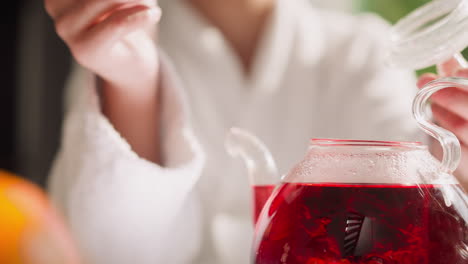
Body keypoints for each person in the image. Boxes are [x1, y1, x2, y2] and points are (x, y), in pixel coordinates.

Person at [43, 0, 468, 263]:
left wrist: (461, 157)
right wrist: (132, 82)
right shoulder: (118, 46)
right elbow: (111, 253)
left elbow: (413, 222)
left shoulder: (363, 50)